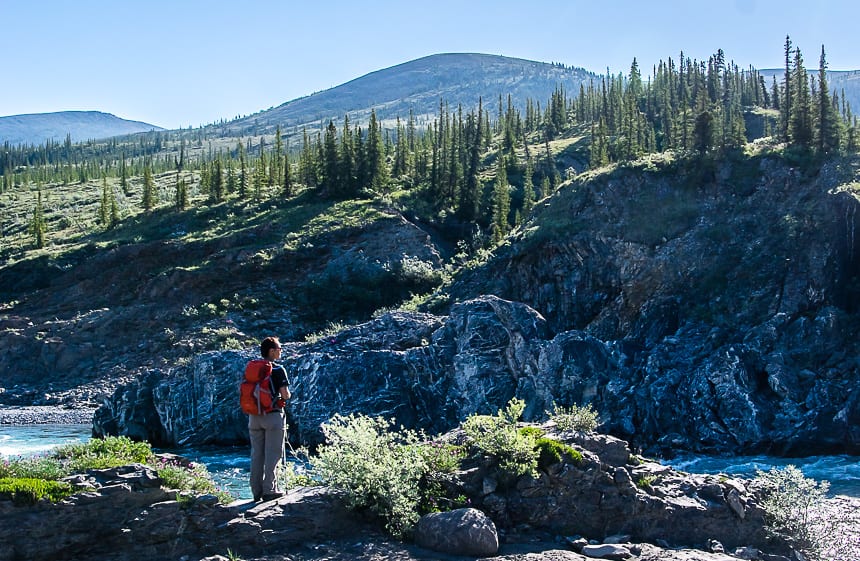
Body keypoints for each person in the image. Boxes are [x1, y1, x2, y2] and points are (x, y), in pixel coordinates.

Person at [248, 336, 291, 501]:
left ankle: (256, 491)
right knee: (273, 454)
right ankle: (269, 490)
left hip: (254, 417)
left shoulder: (253, 368)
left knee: (256, 454)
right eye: (279, 348)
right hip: (272, 416)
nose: (281, 351)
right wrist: (286, 397)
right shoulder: (278, 369)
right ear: (272, 351)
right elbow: (285, 395)